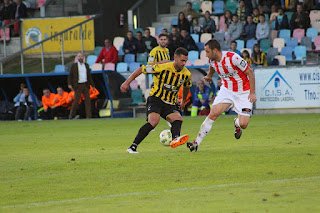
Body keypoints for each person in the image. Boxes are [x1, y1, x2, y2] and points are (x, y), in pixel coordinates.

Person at [186, 39, 257, 152]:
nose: (206, 55)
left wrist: (252, 93)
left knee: (244, 124)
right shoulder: (213, 61)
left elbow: (250, 73)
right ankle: (196, 143)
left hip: (244, 92)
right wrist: (209, 76)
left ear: (215, 50)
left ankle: (237, 122)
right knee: (213, 113)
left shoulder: (232, 57)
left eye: (207, 51)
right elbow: (212, 67)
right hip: (227, 90)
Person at [120, 47, 192, 153]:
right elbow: (141, 69)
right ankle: (132, 147)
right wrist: (126, 83)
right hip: (156, 99)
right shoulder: (163, 68)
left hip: (170, 103)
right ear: (175, 58)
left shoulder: (186, 74)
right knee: (153, 122)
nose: (184, 63)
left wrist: (183, 101)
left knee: (178, 119)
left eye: (185, 61)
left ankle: (175, 138)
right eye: (182, 60)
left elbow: (186, 87)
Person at [68, 52, 95, 119]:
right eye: (79, 56)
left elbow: (89, 76)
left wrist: (93, 85)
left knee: (88, 101)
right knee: (76, 101)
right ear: (77, 57)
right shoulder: (74, 66)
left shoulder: (86, 65)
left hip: (85, 84)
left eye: (81, 56)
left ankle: (89, 116)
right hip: (78, 85)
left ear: (83, 57)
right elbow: (70, 75)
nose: (80, 57)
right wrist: (69, 84)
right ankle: (71, 114)